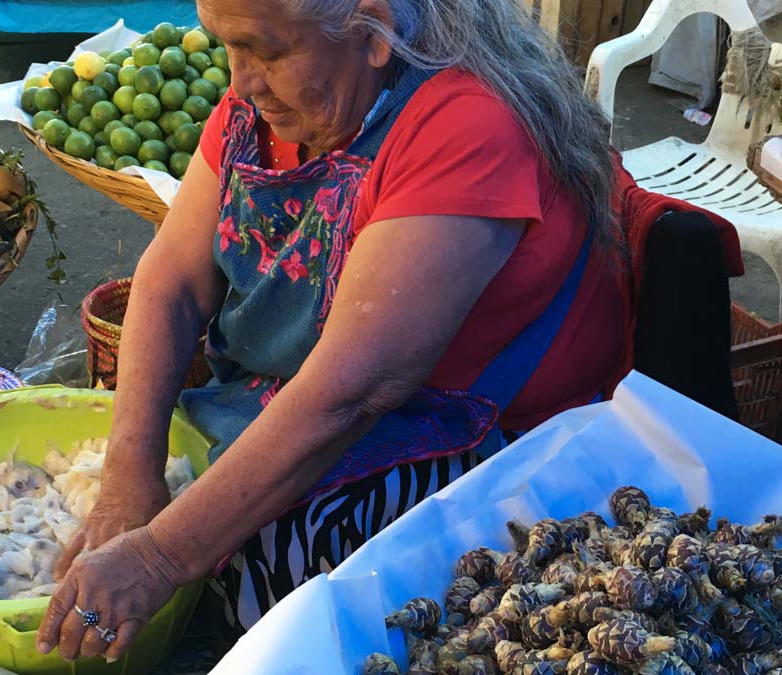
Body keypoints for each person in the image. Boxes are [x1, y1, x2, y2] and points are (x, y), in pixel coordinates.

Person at [36, 0, 630, 662]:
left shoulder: (467, 123)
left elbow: (353, 388)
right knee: (149, 464)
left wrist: (158, 554)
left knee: (281, 556)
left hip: (494, 440)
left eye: (264, 52)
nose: (238, 82)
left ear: (373, 32)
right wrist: (125, 476)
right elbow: (169, 283)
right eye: (226, 47)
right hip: (321, 394)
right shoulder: (260, 109)